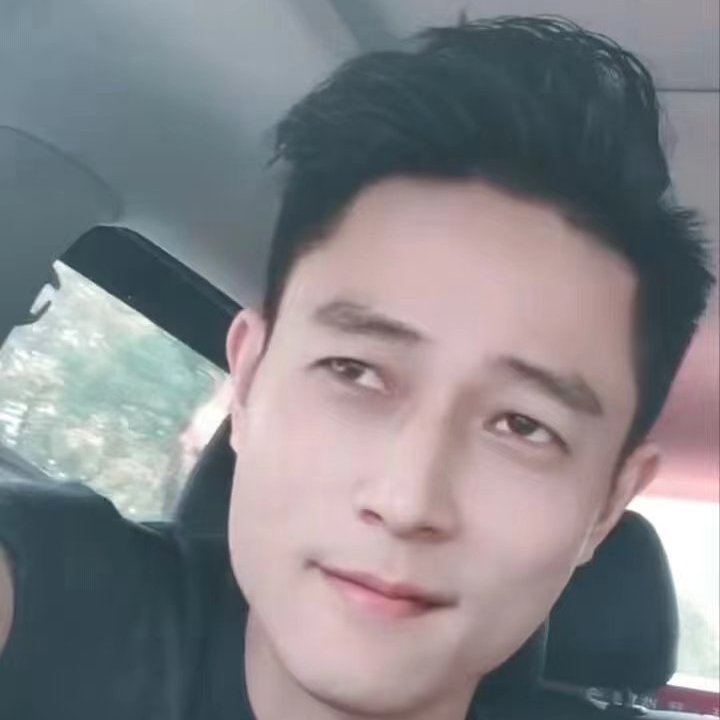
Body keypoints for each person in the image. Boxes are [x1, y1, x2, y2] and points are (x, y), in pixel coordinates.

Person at [0, 15, 714, 720]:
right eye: (355, 371)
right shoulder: (61, 607)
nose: (407, 503)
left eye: (523, 425)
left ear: (606, 507)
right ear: (247, 383)